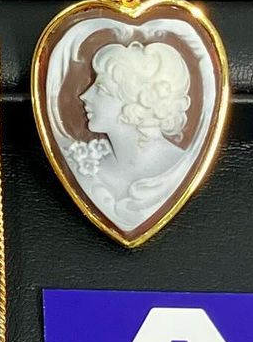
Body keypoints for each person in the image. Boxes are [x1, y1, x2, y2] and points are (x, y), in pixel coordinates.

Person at [73, 41, 193, 230]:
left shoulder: (180, 167)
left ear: (135, 103)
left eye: (101, 89)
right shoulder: (89, 166)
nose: (84, 96)